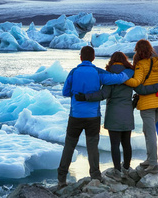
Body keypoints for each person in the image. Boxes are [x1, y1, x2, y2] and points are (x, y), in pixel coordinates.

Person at [57, 46, 133, 188]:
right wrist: (130, 71)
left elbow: (65, 92)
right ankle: (95, 176)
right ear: (93, 57)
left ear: (80, 57)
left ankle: (61, 179)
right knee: (92, 147)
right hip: (93, 117)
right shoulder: (98, 72)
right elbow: (118, 79)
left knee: (69, 146)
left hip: (75, 116)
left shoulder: (73, 72)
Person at [81, 51, 158, 180]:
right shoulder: (129, 76)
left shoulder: (109, 76)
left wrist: (85, 97)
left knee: (115, 144)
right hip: (127, 113)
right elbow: (143, 90)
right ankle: (126, 167)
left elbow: (102, 95)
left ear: (112, 61)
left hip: (113, 115)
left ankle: (117, 170)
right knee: (126, 143)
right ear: (125, 61)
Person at [124, 39, 158, 174]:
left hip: (148, 105)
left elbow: (136, 82)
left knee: (150, 134)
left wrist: (122, 78)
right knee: (146, 130)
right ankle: (149, 159)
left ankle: (153, 164)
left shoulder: (141, 65)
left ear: (138, 50)